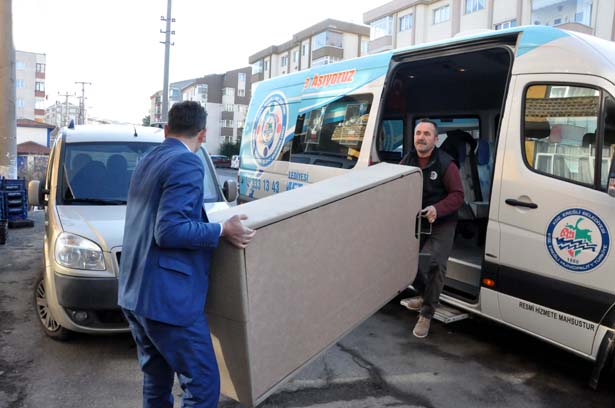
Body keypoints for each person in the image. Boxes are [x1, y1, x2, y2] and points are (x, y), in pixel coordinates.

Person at [118, 101, 256, 407]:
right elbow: (169, 230)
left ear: (167, 129)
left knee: (156, 380)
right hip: (168, 300)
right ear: (203, 134)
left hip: (134, 293)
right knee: (203, 384)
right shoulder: (187, 162)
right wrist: (222, 230)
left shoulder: (148, 160)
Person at [400, 119, 464, 339]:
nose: (421, 137)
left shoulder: (446, 164)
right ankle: (424, 293)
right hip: (418, 219)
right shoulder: (407, 161)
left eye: (427, 134)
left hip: (442, 219)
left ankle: (426, 313)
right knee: (403, 261)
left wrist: (438, 208)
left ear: (436, 139)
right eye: (418, 133)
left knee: (437, 263)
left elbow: (458, 195)